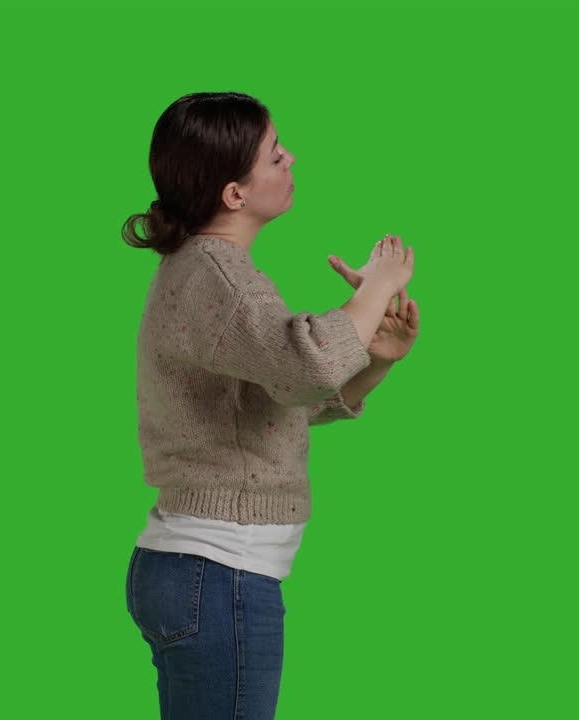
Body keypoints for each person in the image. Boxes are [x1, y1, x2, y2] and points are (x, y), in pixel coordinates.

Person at [121, 92, 419, 720]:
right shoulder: (218, 275)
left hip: (199, 575)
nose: (292, 159)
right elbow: (306, 363)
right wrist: (377, 289)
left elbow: (280, 401)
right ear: (235, 193)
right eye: (276, 154)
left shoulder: (207, 271)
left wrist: (377, 358)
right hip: (218, 574)